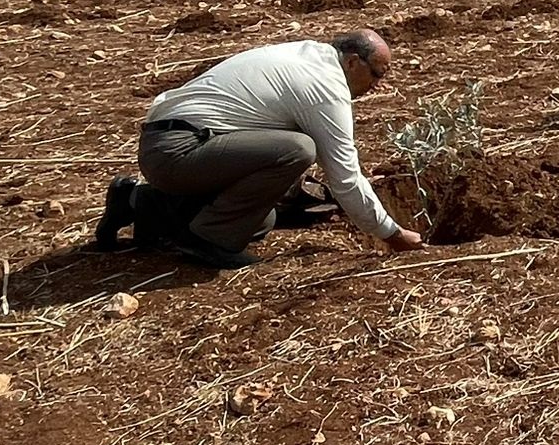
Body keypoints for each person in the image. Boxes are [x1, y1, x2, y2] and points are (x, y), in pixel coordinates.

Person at [92, 28, 424, 268]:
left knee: (260, 220)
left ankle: (136, 201)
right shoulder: (326, 86)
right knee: (297, 149)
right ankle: (208, 240)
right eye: (377, 74)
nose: (377, 86)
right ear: (353, 62)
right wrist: (391, 234)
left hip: (166, 143)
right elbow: (346, 177)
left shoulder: (308, 55)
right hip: (178, 150)